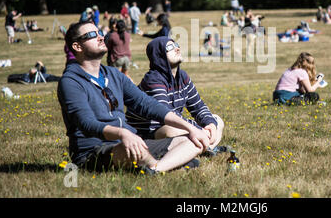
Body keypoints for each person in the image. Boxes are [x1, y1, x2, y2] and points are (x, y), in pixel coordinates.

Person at [58, 21, 210, 173]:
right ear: (77, 46)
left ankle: (156, 168)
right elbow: (86, 123)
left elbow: (147, 104)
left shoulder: (114, 75)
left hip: (130, 141)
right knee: (137, 150)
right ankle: (167, 163)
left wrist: (190, 128)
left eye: (99, 33)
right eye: (92, 35)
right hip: (94, 151)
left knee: (191, 139)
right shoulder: (70, 82)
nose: (100, 37)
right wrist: (123, 133)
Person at [126, 37, 225, 153]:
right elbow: (166, 115)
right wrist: (198, 129)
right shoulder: (153, 80)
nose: (177, 49)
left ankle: (206, 148)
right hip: (148, 132)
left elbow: (198, 107)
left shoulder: (182, 77)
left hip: (172, 125)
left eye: (176, 45)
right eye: (169, 47)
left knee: (217, 120)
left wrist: (210, 124)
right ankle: (205, 146)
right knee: (172, 131)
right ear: (159, 55)